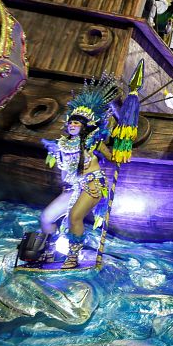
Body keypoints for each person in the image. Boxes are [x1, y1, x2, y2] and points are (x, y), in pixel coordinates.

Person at [40, 74, 119, 269]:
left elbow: (113, 158)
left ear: (85, 126)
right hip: (70, 188)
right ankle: (49, 251)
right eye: (71, 122)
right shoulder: (60, 145)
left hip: (92, 185)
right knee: (46, 217)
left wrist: (123, 142)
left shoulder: (94, 142)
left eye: (77, 123)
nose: (73, 125)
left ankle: (73, 257)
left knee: (74, 217)